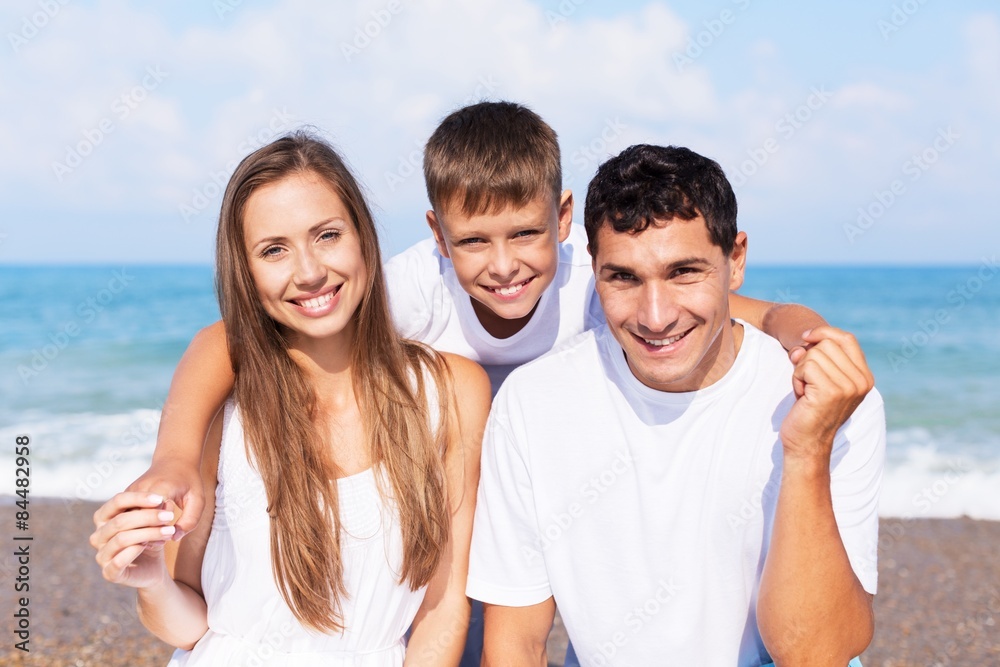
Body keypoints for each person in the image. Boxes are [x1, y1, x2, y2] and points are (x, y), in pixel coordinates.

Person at [124, 103, 829, 665]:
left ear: (561, 221)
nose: (502, 265)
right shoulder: (410, 287)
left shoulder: (595, 279)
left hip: (533, 470)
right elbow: (228, 339)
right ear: (438, 235)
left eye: (524, 234)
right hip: (452, 467)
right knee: (449, 619)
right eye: (472, 242)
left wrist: (807, 339)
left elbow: (743, 309)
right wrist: (178, 456)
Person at [467, 144, 885, 666]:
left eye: (684, 272)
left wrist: (807, 451)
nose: (656, 316)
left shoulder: (827, 401)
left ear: (735, 261)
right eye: (624, 277)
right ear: (594, 270)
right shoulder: (532, 404)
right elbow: (516, 646)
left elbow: (816, 653)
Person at [90, 132, 492, 666]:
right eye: (274, 250)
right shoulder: (228, 400)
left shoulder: (452, 392)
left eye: (327, 235)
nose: (308, 272)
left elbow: (441, 611)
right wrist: (151, 582)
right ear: (246, 271)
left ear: (363, 238)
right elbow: (189, 628)